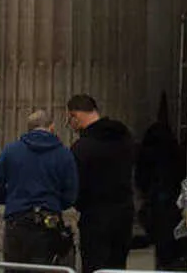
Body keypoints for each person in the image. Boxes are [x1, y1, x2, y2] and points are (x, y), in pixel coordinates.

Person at [0, 109, 78, 264]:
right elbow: (71, 195)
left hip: (16, 221)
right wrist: (54, 203)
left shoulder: (10, 151)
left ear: (28, 128)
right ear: (51, 128)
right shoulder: (64, 154)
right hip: (49, 222)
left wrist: (13, 199)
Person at [67, 94, 136, 273]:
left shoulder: (82, 147)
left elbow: (76, 187)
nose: (70, 125)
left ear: (76, 115)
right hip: (123, 214)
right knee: (117, 267)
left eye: (70, 119)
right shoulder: (124, 138)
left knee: (95, 267)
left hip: (95, 218)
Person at [135, 105, 187, 270]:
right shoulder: (173, 149)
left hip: (154, 199)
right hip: (170, 198)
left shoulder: (148, 150)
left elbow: (140, 176)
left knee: (159, 240)